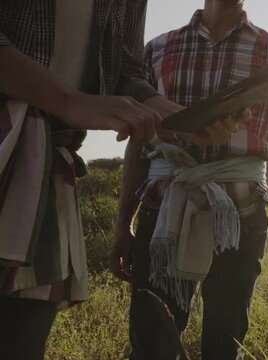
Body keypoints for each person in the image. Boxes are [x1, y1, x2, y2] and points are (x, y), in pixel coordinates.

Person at [0, 1, 235, 359]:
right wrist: (69, 101)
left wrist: (176, 118)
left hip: (45, 166)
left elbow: (125, 69)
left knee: (21, 334)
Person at [109, 0, 268, 359]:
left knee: (225, 336)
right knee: (152, 337)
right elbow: (139, 143)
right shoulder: (157, 48)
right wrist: (123, 224)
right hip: (163, 204)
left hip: (240, 210)